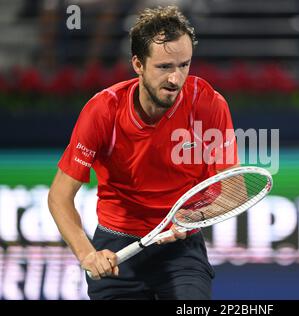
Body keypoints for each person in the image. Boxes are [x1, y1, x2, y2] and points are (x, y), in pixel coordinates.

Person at [47, 5, 239, 300]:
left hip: (181, 251)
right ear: (138, 64)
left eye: (184, 65)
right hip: (117, 246)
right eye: (164, 67)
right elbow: (59, 196)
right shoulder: (102, 112)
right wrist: (88, 254)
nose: (176, 79)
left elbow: (232, 187)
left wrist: (193, 216)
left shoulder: (208, 104)